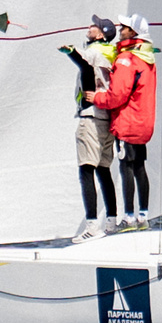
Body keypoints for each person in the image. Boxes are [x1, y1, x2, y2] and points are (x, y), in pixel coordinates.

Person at [88, 15, 158, 226]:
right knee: (139, 167)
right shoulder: (148, 58)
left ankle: (128, 217)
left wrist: (96, 98)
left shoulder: (126, 59)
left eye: (125, 27)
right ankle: (143, 216)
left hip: (128, 122)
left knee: (126, 167)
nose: (121, 29)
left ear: (134, 33)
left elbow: (117, 95)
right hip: (144, 123)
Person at [59, 17, 119, 236]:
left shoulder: (94, 51)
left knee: (86, 169)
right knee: (104, 171)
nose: (90, 26)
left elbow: (83, 64)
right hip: (108, 118)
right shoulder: (113, 54)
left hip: (91, 117)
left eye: (95, 26)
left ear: (101, 34)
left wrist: (70, 52)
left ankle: (92, 225)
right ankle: (111, 222)